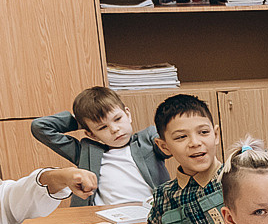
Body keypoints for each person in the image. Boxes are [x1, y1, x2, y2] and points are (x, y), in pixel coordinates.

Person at [30, 86, 168, 208]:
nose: (114, 129)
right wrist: (83, 120)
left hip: (150, 214)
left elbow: (172, 145)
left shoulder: (148, 140)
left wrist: (97, 119)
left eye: (118, 119)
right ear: (92, 134)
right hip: (104, 220)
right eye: (102, 127)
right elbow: (40, 127)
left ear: (128, 114)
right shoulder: (86, 152)